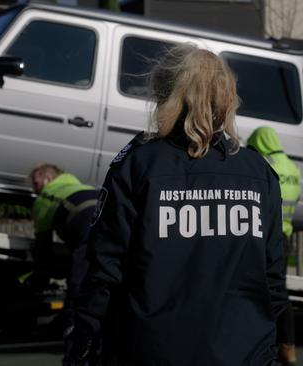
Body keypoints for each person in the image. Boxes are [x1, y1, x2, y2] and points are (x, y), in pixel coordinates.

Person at [67, 44, 289, 366]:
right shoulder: (258, 172)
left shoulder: (137, 165)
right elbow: (273, 279)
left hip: (151, 351)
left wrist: (84, 339)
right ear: (227, 97)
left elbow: (105, 270)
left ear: (163, 94)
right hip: (245, 353)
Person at [29, 164, 99, 365]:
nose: (34, 189)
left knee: (77, 294)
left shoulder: (45, 197)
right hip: (111, 225)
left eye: (35, 183)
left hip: (87, 233)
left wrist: (42, 275)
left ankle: (74, 358)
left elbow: (43, 246)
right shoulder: (79, 185)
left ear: (47, 179)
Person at [248, 126, 301, 366]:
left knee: (261, 290)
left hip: (266, 236)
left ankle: (267, 343)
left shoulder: (264, 164)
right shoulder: (292, 167)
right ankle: (287, 345)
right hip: (286, 234)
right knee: (281, 290)